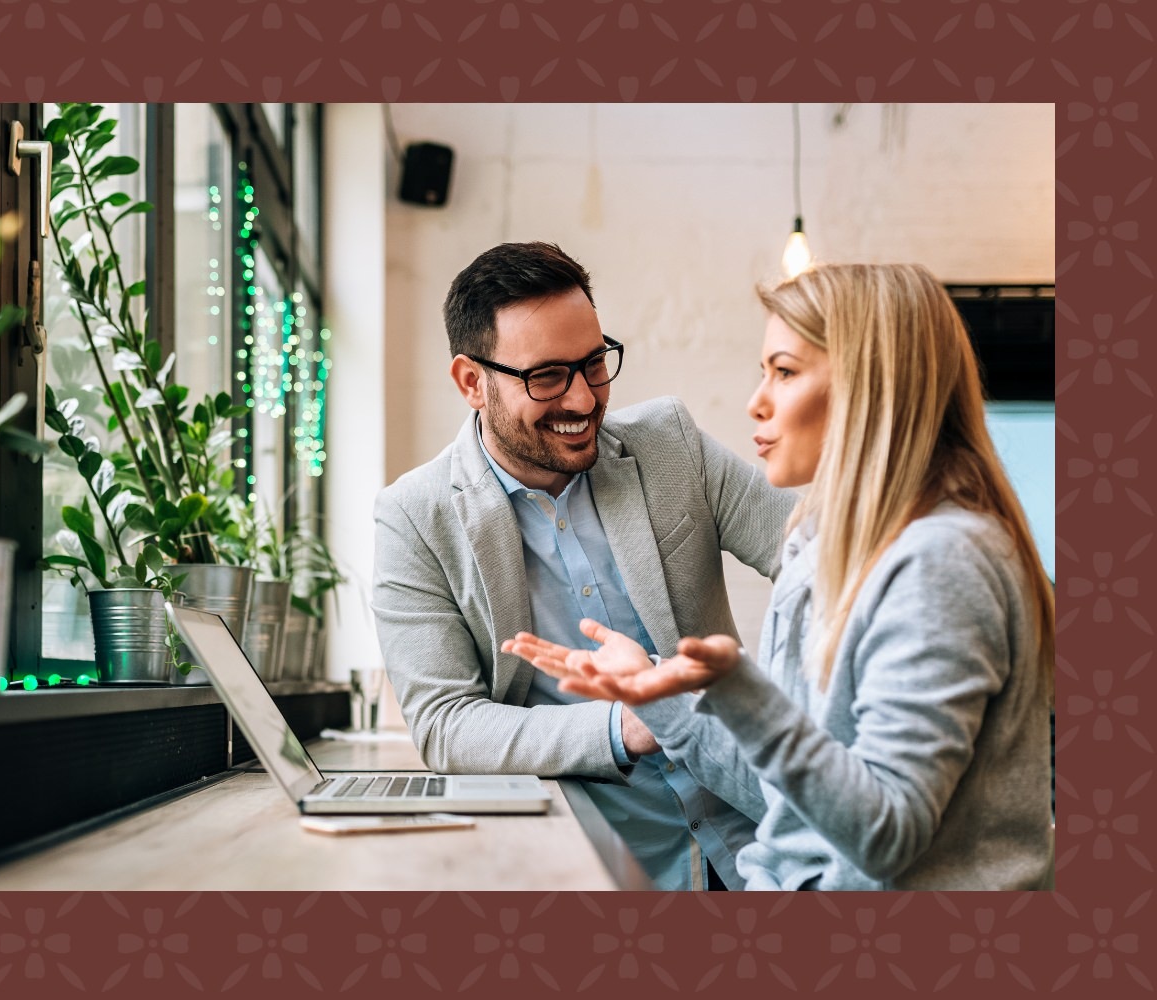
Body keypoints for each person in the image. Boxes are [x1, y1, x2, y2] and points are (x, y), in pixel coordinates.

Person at [505, 262, 1056, 890]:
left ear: (871, 387)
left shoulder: (939, 563)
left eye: (785, 372)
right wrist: (655, 694)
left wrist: (748, 695)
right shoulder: (821, 547)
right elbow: (788, 802)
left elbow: (886, 835)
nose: (756, 401)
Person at [371, 242, 798, 890]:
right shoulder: (413, 517)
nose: (582, 399)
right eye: (546, 376)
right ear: (470, 381)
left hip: (756, 847)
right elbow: (447, 725)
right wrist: (628, 722)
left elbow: (821, 558)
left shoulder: (669, 445)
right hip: (592, 865)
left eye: (594, 363)